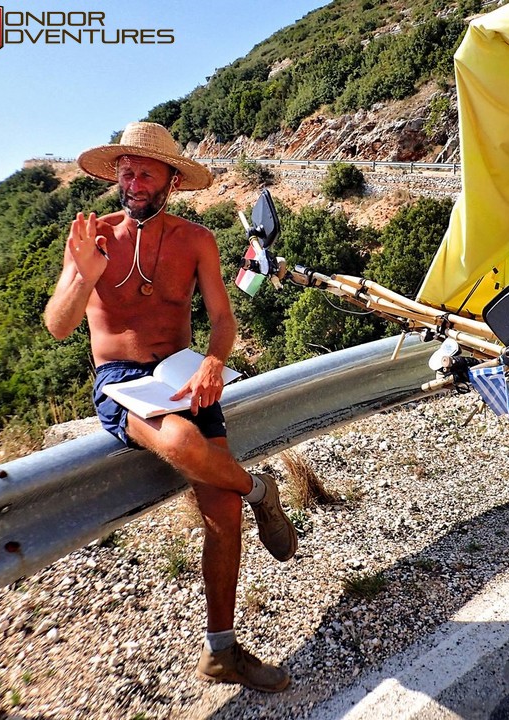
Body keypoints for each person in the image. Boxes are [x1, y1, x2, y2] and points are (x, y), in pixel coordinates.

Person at [44, 121, 296, 693]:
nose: (132, 182)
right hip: (122, 381)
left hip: (183, 372)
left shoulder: (196, 240)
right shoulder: (93, 236)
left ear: (171, 181)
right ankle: (261, 491)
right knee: (184, 445)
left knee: (221, 516)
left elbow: (224, 317)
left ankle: (221, 652)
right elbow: (58, 326)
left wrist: (213, 360)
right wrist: (83, 276)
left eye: (145, 173)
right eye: (125, 172)